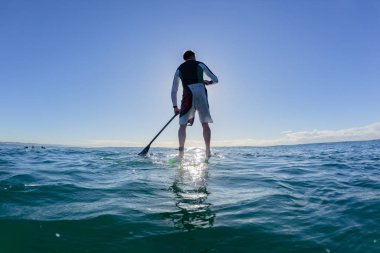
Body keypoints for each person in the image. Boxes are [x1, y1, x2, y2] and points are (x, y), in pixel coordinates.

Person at [171, 50, 219, 157]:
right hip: (201, 91)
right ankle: (207, 151)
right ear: (193, 56)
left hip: (188, 93)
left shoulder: (179, 69)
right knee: (205, 124)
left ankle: (181, 152)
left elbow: (174, 90)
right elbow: (216, 79)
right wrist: (208, 82)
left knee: (182, 125)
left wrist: (175, 107)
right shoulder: (200, 64)